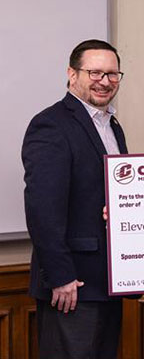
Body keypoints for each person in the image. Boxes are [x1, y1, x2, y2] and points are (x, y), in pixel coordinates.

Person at [22, 39, 127, 358]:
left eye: (112, 74)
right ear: (72, 74)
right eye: (95, 72)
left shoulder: (111, 126)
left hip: (107, 281)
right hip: (72, 284)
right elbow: (43, 208)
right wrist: (61, 276)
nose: (105, 81)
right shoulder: (51, 124)